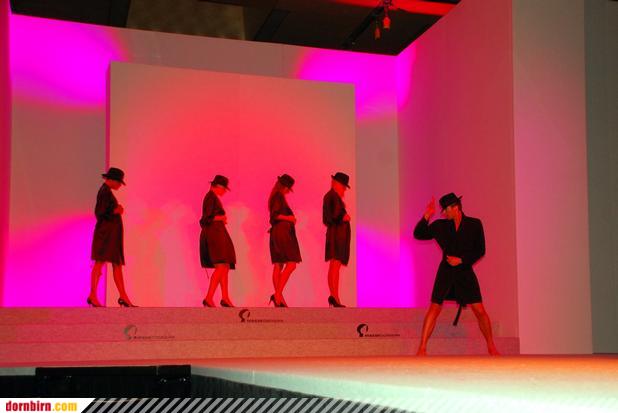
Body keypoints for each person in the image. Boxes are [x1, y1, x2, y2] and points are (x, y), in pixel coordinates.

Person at [413, 193, 499, 355]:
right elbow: (418, 234)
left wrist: (461, 260)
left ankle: (491, 346)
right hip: (446, 272)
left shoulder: (474, 224)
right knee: (434, 307)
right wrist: (427, 215)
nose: (443, 213)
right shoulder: (440, 226)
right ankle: (422, 347)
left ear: (456, 207)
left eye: (446, 209)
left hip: (465, 271)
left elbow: (480, 250)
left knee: (479, 310)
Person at [87, 167, 135, 307]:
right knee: (101, 263)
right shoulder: (104, 192)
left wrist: (115, 210)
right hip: (106, 235)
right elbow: (100, 212)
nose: (120, 185)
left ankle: (122, 296)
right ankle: (94, 295)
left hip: (110, 235)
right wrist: (116, 210)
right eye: (119, 182)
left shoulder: (106, 192)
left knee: (115, 264)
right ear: (112, 180)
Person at [199, 175, 236, 307]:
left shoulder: (212, 198)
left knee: (225, 266)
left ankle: (225, 297)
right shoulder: (210, 198)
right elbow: (206, 219)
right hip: (214, 235)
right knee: (221, 266)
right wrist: (221, 218)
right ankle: (209, 297)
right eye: (224, 188)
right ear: (218, 186)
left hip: (218, 234)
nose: (224, 191)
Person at [268, 174, 301, 307]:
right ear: (284, 187)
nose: (288, 191)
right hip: (282, 233)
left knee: (278, 264)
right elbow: (275, 216)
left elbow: (274, 217)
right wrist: (290, 218)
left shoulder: (276, 197)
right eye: (288, 188)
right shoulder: (278, 197)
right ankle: (277, 295)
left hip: (278, 232)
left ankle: (278, 297)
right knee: (291, 264)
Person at [323, 172, 351, 307]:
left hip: (337, 236)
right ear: (338, 184)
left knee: (335, 266)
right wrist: (343, 217)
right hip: (336, 236)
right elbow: (331, 217)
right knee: (335, 266)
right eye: (343, 186)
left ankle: (335, 296)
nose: (344, 189)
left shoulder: (332, 197)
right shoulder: (332, 197)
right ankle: (334, 296)